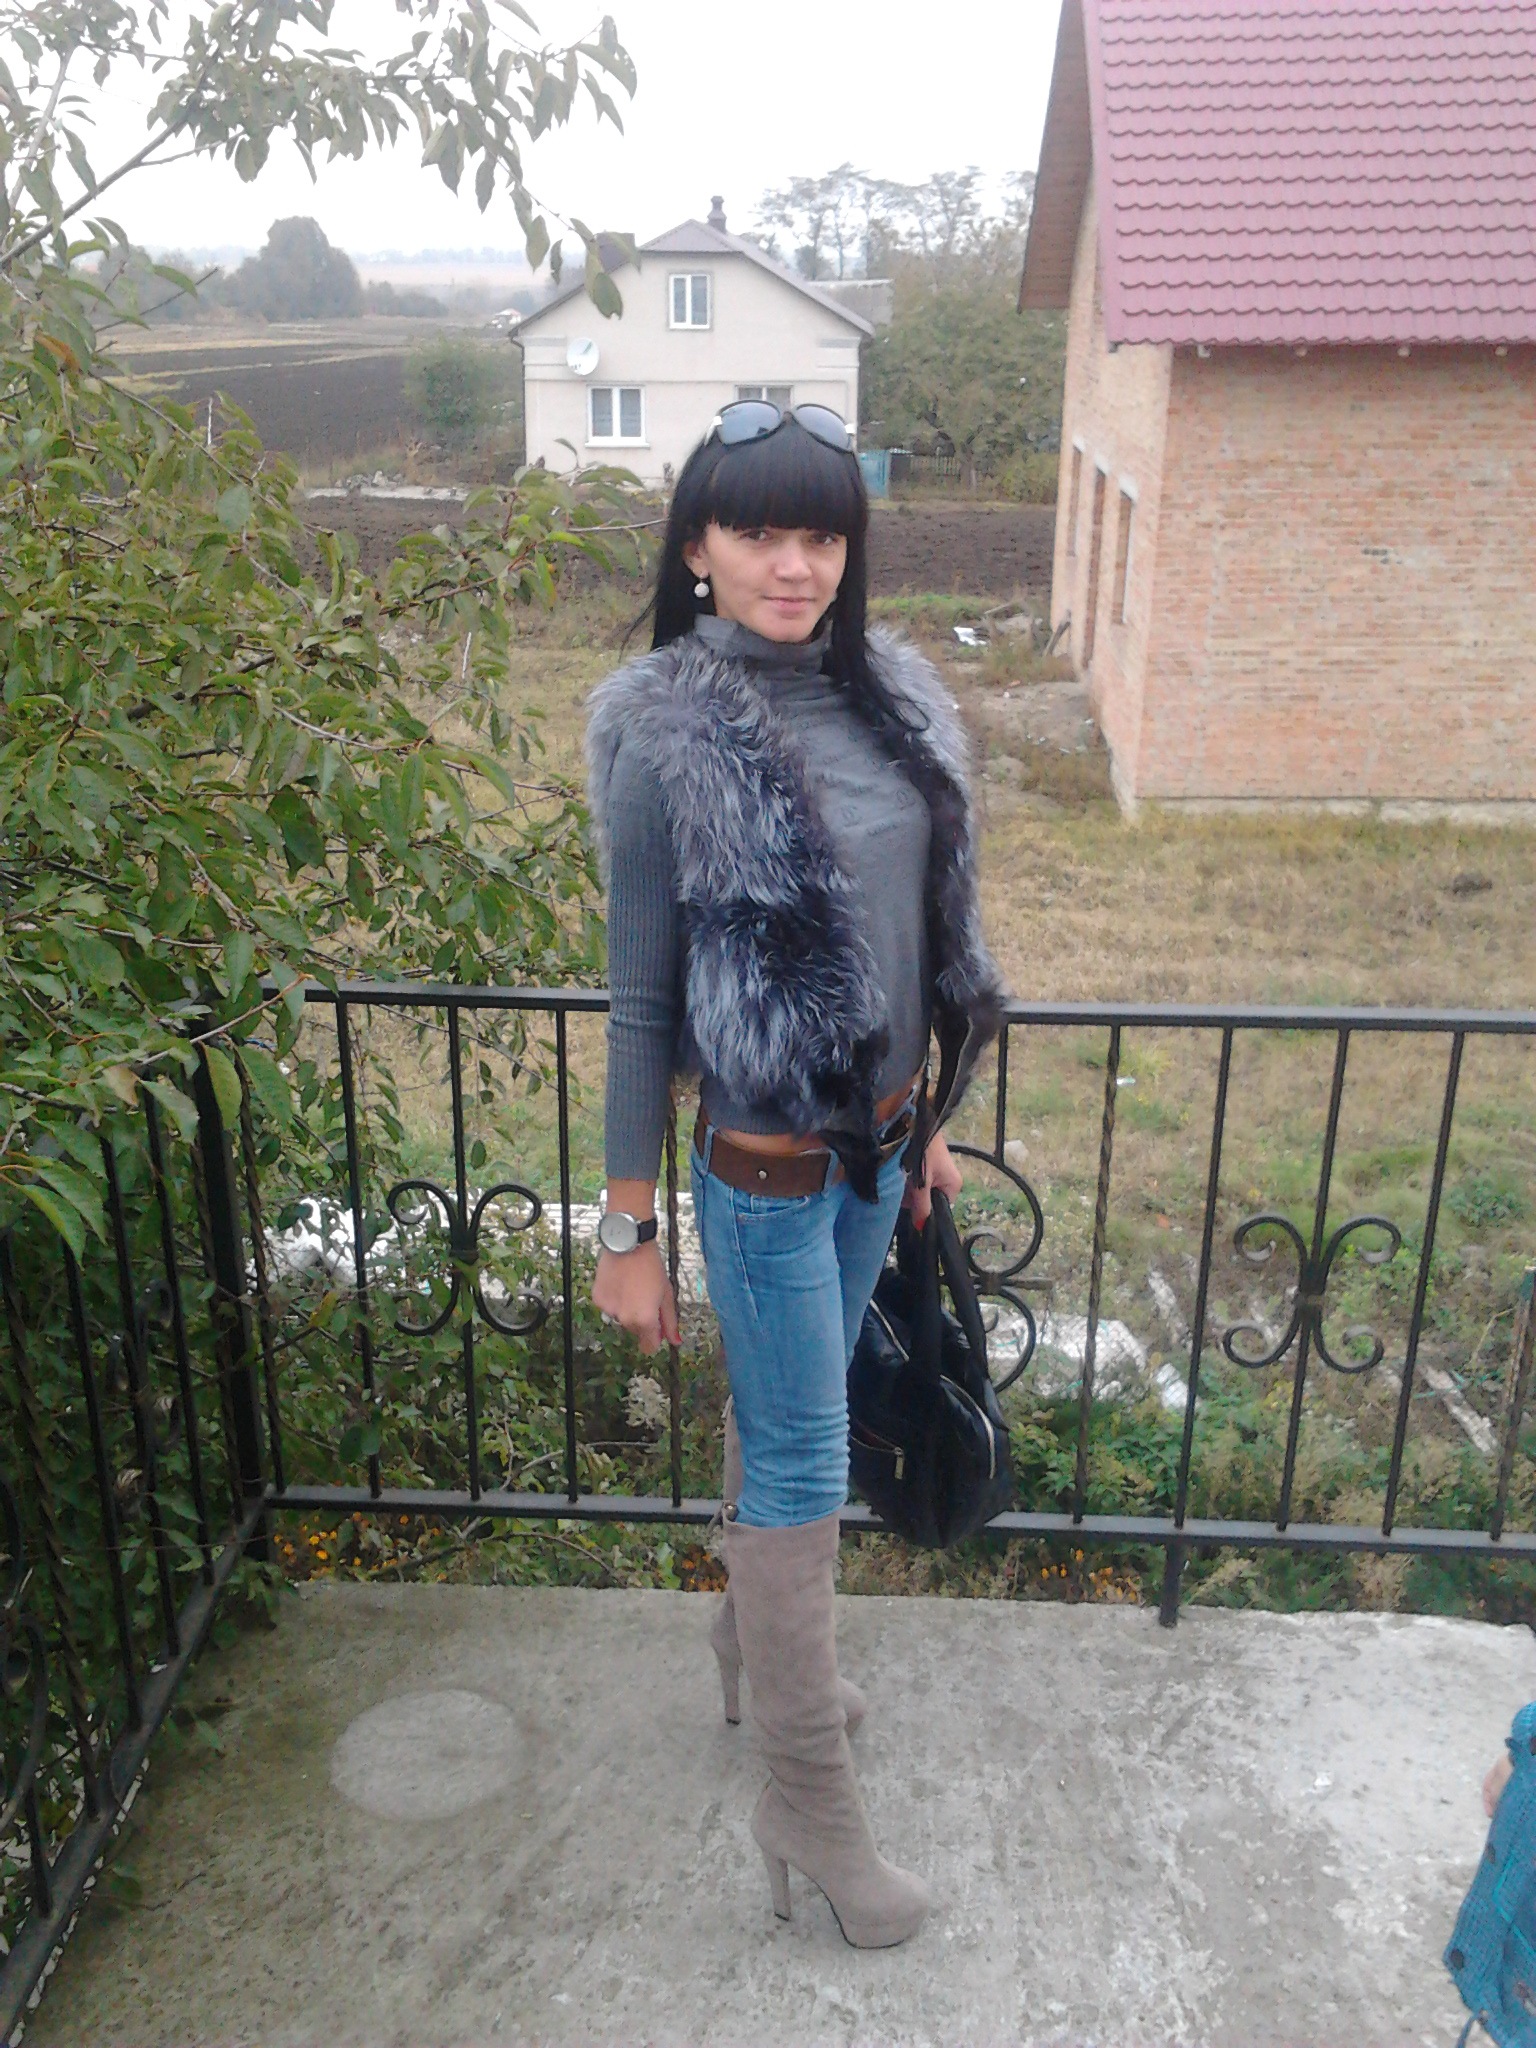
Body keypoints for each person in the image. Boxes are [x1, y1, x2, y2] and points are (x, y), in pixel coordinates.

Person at [585, 400, 1004, 1948]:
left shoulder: (892, 697)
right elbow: (641, 1004)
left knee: (796, 1417)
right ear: (696, 545)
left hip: (878, 1150)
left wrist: (925, 1113)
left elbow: (912, 936)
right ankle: (808, 1801)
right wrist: (626, 1228)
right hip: (763, 1177)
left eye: (821, 533)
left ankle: (751, 1654)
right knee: (805, 1468)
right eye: (757, 530)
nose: (793, 562)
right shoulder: (663, 732)